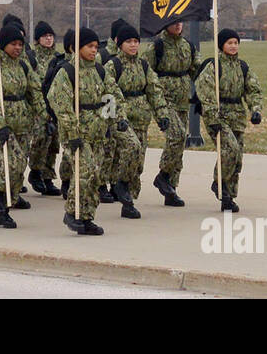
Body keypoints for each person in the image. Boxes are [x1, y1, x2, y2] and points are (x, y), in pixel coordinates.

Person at [48, 27, 123, 235]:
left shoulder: (100, 70)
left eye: (95, 47)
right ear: (78, 48)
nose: (93, 50)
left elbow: (112, 95)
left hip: (98, 131)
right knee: (85, 170)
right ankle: (72, 212)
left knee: (95, 175)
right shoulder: (68, 71)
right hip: (77, 133)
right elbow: (59, 102)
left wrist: (115, 118)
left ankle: (87, 215)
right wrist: (72, 132)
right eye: (89, 46)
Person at [0, 24, 47, 228]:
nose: (17, 48)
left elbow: (35, 92)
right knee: (12, 161)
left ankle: (6, 206)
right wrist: (0, 124)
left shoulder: (23, 66)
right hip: (0, 123)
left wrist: (45, 117)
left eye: (20, 44)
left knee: (20, 163)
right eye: (13, 44)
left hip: (22, 121)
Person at [103, 22, 168, 219]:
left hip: (141, 119)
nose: (133, 45)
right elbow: (108, 93)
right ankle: (119, 183)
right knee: (131, 148)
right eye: (128, 42)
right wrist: (114, 118)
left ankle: (128, 201)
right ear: (120, 44)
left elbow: (154, 90)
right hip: (120, 120)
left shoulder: (144, 66)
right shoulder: (113, 66)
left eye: (135, 42)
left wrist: (162, 114)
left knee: (138, 161)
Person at [194, 29, 262, 212]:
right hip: (219, 116)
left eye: (235, 43)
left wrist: (255, 109)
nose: (233, 46)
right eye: (229, 43)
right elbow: (205, 92)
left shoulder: (243, 67)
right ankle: (219, 182)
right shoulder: (214, 66)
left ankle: (228, 196)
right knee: (230, 149)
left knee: (237, 157)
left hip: (237, 116)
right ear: (221, 45)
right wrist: (212, 116)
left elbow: (253, 90)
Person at [144, 21, 198, 206]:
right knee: (177, 134)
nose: (178, 26)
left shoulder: (187, 46)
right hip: (164, 98)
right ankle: (164, 175)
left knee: (179, 144)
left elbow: (196, 69)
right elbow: (146, 72)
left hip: (183, 99)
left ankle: (171, 187)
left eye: (181, 22)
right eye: (174, 22)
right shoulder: (157, 46)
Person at [25, 20, 61, 196]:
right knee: (41, 137)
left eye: (50, 36)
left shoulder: (58, 57)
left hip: (55, 104)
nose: (48, 39)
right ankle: (36, 170)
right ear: (38, 39)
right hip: (38, 104)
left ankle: (48, 176)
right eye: (45, 36)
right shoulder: (31, 57)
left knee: (54, 141)